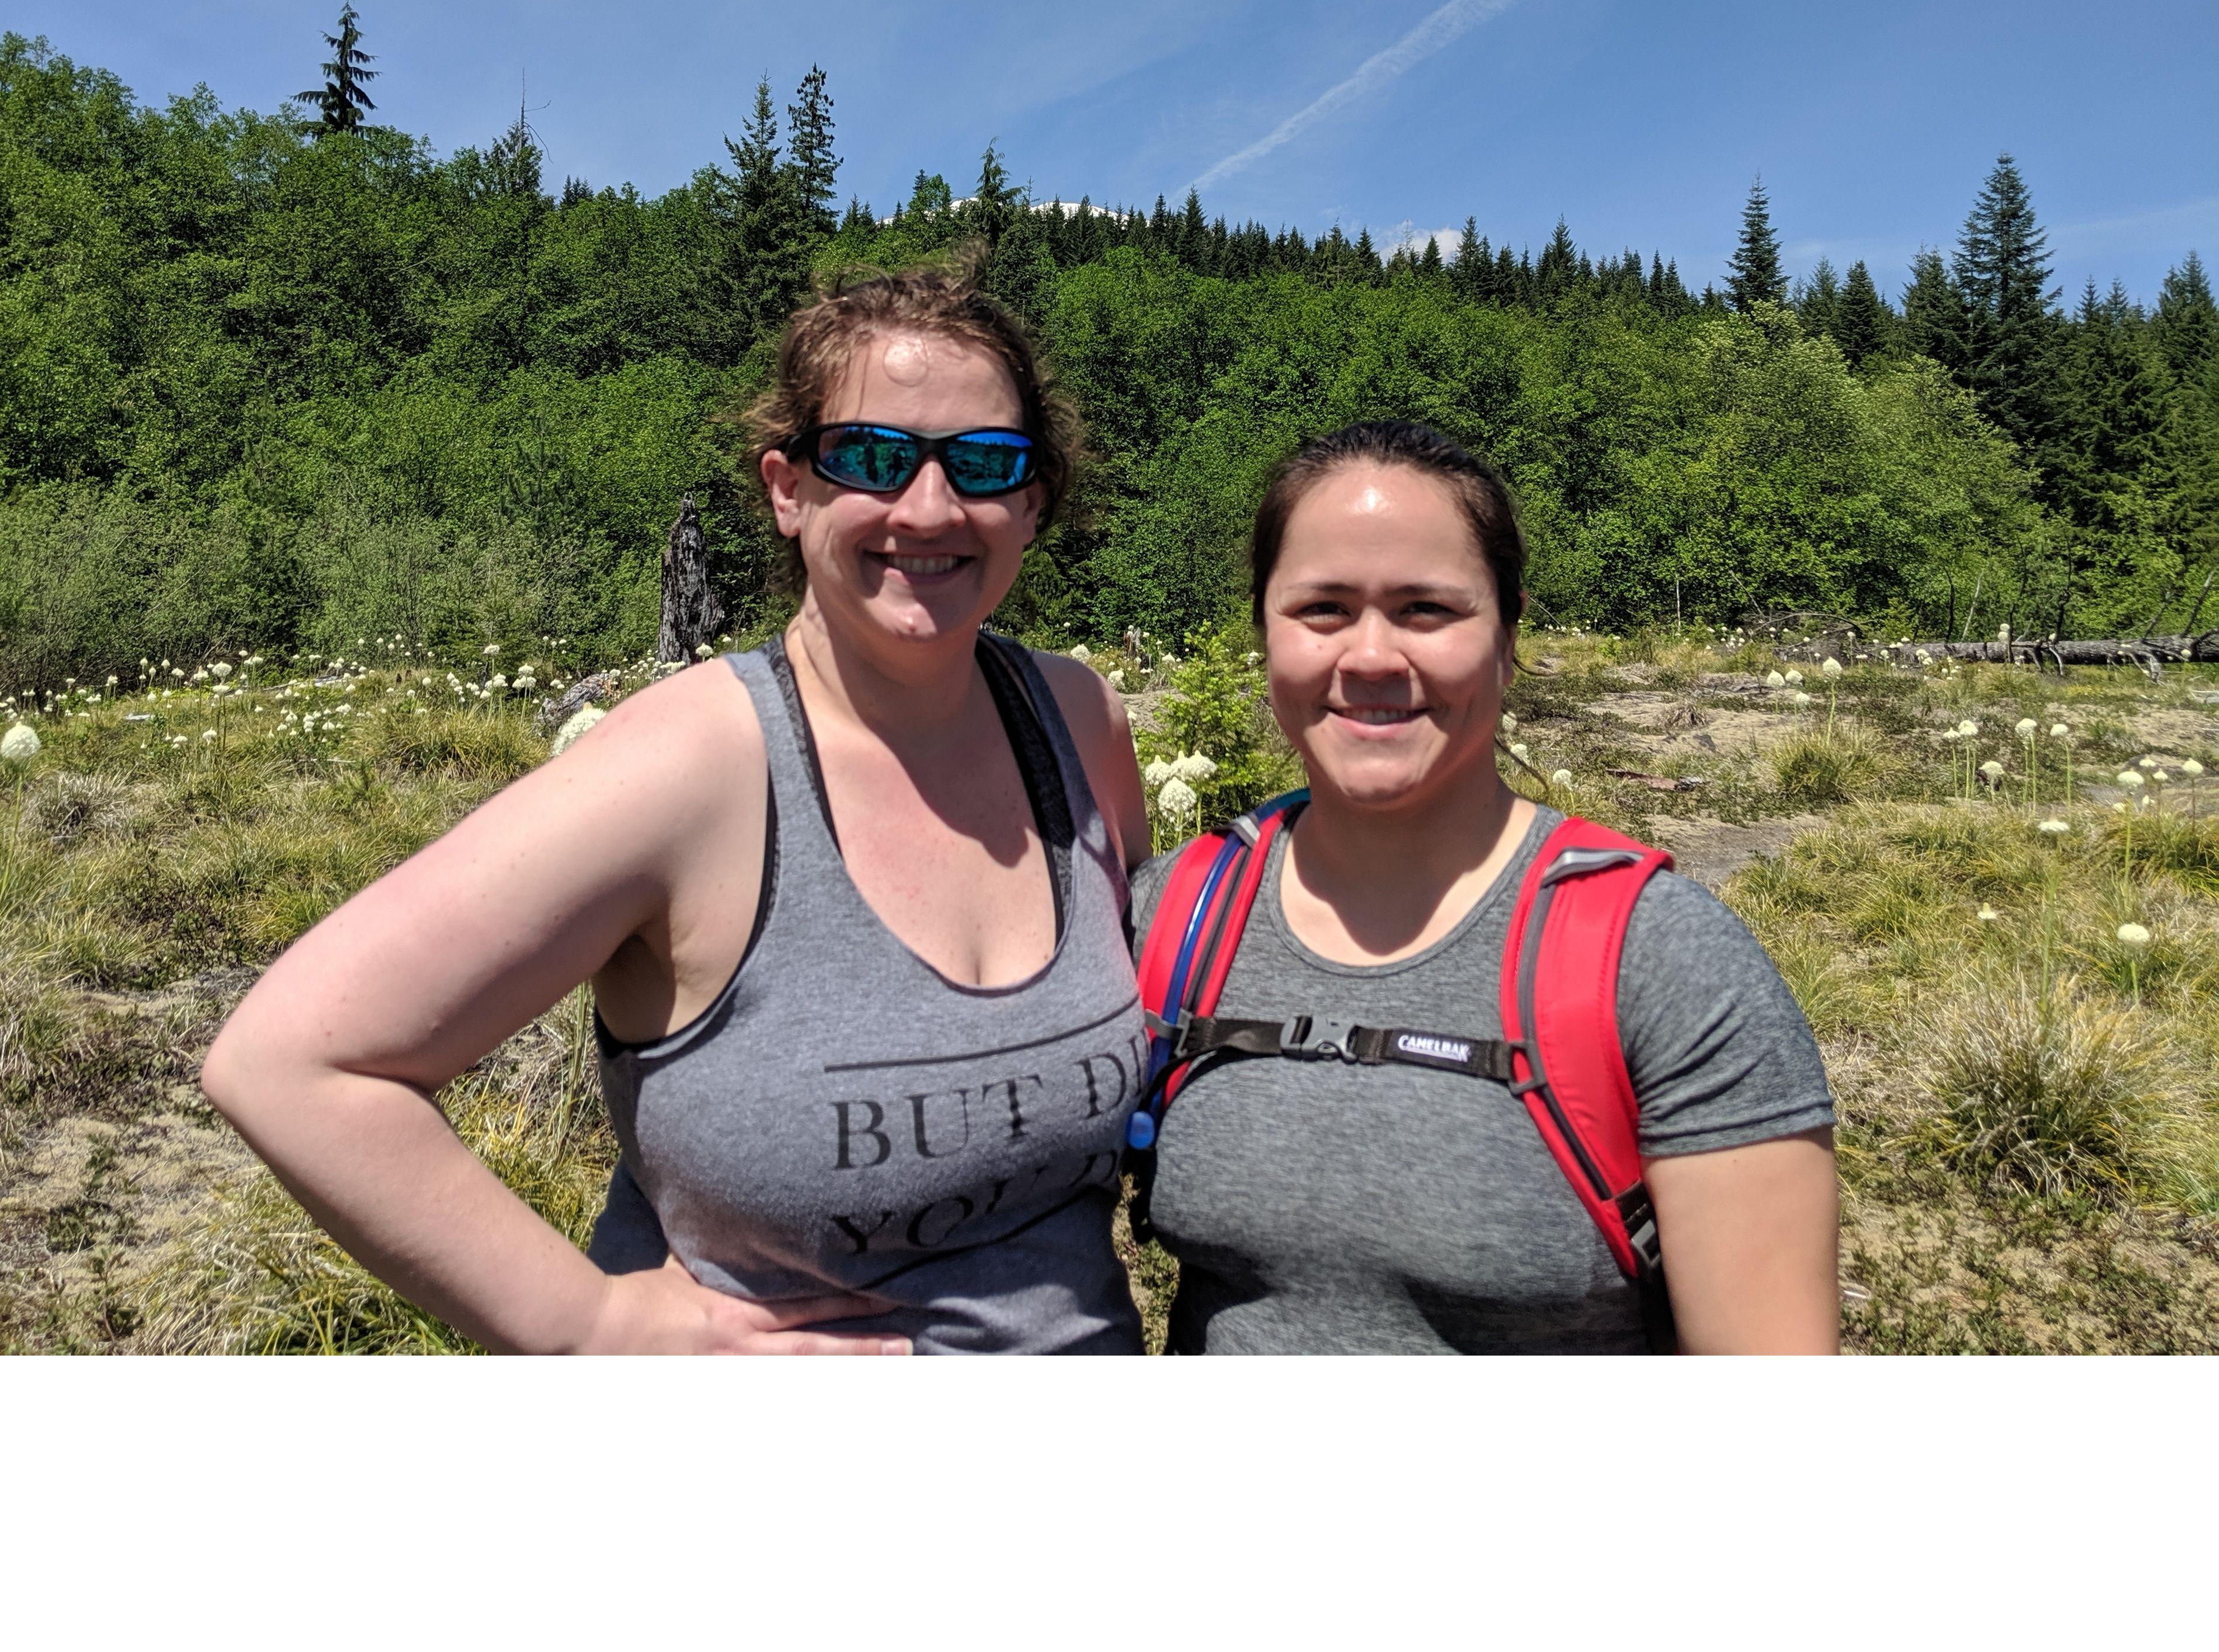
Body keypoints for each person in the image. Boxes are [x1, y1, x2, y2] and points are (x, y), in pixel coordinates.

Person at [203, 265, 1152, 1353]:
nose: (929, 507)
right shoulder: (690, 766)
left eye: (984, 463)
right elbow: (290, 1060)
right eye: (873, 458)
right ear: (789, 491)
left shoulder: (1077, 723)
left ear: (1033, 503)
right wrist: (591, 1324)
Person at [1129, 421, 1840, 1354]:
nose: (1373, 656)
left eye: (1427, 609)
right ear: (1265, 631)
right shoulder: (1176, 917)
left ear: (1507, 637)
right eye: (1323, 609)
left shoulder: (1660, 960)